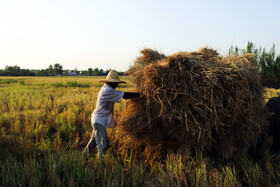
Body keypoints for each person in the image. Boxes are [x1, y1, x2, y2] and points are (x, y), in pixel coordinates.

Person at [83, 70, 140, 157]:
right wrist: (140, 94)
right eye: (116, 83)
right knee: (103, 144)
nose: (117, 85)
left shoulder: (106, 88)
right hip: (99, 120)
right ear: (111, 83)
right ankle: (100, 163)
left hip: (96, 119)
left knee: (94, 140)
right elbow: (125, 95)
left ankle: (85, 155)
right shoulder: (108, 90)